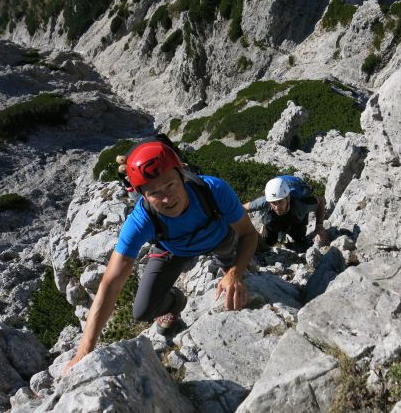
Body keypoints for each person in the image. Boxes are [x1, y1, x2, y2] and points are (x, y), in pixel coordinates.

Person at [65, 141, 257, 372]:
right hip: (174, 250)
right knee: (143, 311)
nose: (167, 198)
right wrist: (84, 351)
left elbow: (248, 234)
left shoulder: (213, 190)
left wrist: (235, 273)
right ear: (142, 196)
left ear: (183, 176)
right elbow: (110, 283)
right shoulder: (141, 220)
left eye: (170, 185)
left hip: (219, 239)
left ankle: (225, 265)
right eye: (154, 193)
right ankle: (176, 301)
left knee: (237, 270)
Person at [243, 176, 327, 251]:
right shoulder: (264, 202)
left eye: (280, 202)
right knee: (268, 242)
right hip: (273, 223)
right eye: (274, 203)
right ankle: (266, 229)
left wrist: (319, 226)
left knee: (300, 238)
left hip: (295, 221)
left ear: (288, 198)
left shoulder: (301, 205)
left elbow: (321, 201)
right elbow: (243, 208)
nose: (277, 206)